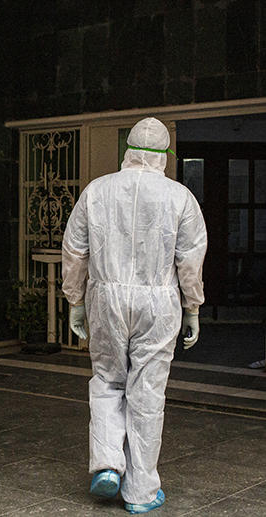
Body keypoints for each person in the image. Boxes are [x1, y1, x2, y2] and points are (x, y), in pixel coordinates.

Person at [62, 117, 207, 514]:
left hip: (105, 298)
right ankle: (141, 493)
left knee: (108, 380)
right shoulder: (180, 198)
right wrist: (192, 307)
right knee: (147, 392)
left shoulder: (96, 190)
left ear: (128, 150)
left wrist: (75, 300)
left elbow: (75, 249)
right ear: (165, 155)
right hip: (158, 303)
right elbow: (190, 260)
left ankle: (108, 465)